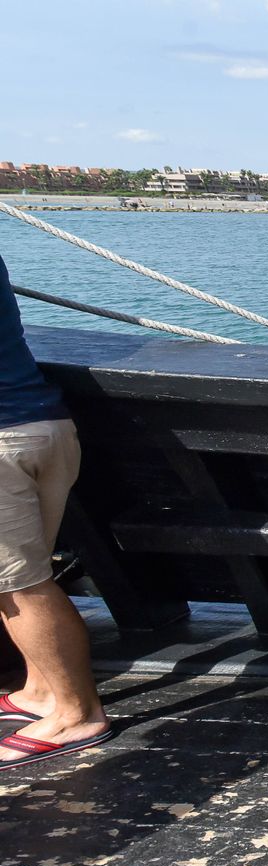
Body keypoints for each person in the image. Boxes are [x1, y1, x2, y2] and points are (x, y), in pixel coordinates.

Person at [0, 255, 113, 770]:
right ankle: (41, 690)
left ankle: (75, 712)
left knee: (18, 586)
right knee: (29, 574)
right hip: (43, 425)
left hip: (4, 446)